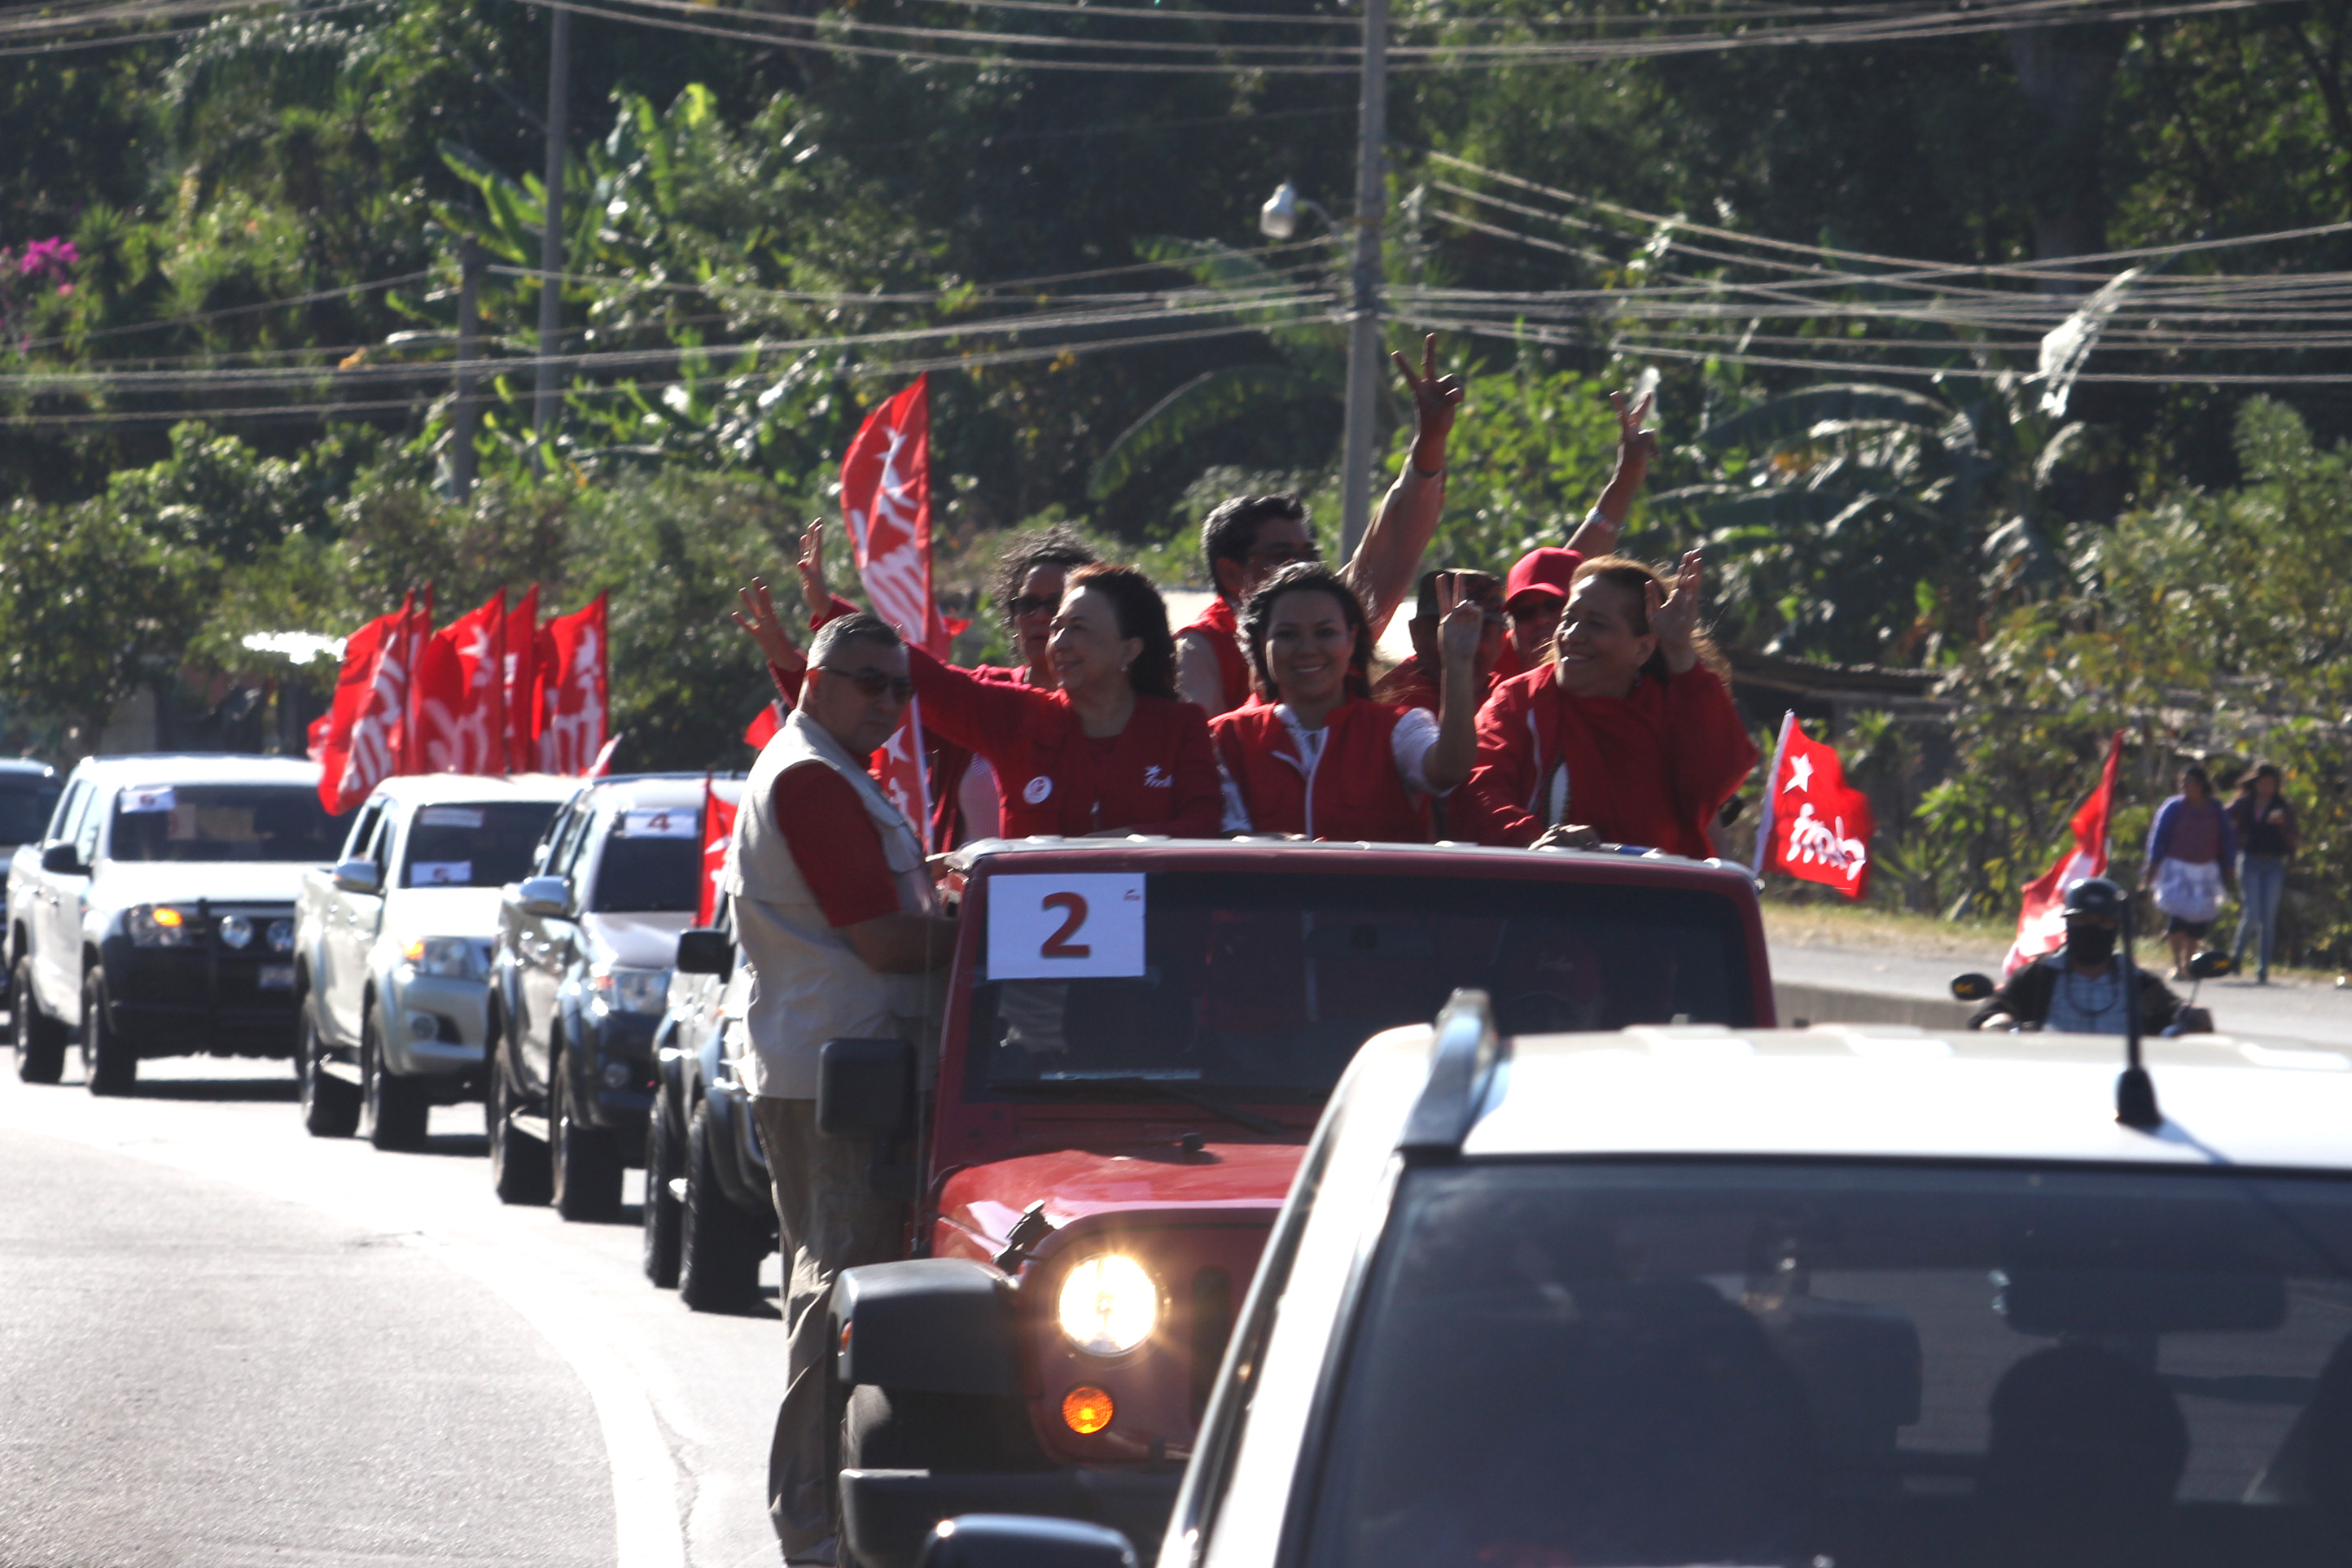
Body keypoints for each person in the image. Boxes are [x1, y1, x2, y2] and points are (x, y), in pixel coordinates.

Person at [724, 611, 957, 1566]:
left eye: (901, 686)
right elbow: (884, 940)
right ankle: (813, 1517)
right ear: (815, 682)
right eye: (868, 681)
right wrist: (995, 926)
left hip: (834, 1059)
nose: (889, 701)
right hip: (841, 1067)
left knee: (837, 1284)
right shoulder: (813, 777)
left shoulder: (832, 768)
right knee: (840, 1292)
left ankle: (821, 1511)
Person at [739, 527, 1102, 848]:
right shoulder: (987, 697)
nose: (1040, 616)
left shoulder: (1114, 709)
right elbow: (860, 714)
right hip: (964, 902)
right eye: (1028, 605)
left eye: (1055, 604)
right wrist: (791, 656)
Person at [1175, 336, 1465, 716]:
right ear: (1231, 573)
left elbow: (1396, 536)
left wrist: (1430, 438)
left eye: (1309, 555)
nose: (1301, 567)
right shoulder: (1200, 648)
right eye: (1281, 556)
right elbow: (1203, 745)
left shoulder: (1336, 609)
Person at [1457, 551, 1758, 859]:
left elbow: (1715, 781)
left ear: (1642, 649)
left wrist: (1680, 652)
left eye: (1596, 625)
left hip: (1656, 887)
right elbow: (1479, 789)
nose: (1572, 635)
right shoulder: (1518, 701)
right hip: (1536, 884)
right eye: (1568, 619)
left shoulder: (1673, 709)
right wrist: (1534, 844)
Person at [1212, 564, 1483, 841]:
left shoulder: (1399, 728)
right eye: (1287, 634)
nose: (1307, 649)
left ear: (1351, 639)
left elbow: (1449, 769)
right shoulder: (1225, 737)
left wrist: (1458, 663)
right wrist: (1275, 848)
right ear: (1262, 643)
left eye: (1325, 632)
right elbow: (1219, 835)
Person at [1499, 389, 1662, 668]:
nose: (1541, 620)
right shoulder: (1486, 668)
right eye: (1525, 613)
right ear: (1510, 625)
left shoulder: (1622, 676)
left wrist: (1627, 476)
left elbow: (1581, 559)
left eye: (1556, 606)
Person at [1969, 877, 2185, 1036]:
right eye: (2083, 920)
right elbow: (1996, 1008)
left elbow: (2173, 1012)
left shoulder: (2138, 982)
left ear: (2116, 927)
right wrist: (1998, 1021)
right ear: (2068, 923)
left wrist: (2190, 1014)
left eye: (2103, 922)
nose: (2092, 929)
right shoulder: (2039, 976)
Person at [2141, 764, 2237, 980]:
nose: (2184, 785)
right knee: (2178, 921)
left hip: (2205, 873)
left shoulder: (2215, 809)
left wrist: (2229, 865)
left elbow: (2227, 838)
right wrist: (2152, 864)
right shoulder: (2173, 807)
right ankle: (2178, 964)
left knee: (2197, 923)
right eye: (2182, 781)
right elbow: (2159, 836)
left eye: (2188, 781)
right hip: (2177, 871)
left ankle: (2189, 964)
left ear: (2200, 784)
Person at [1372, 568, 1509, 714]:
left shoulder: (1511, 700)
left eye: (1478, 630)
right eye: (1444, 628)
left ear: (1501, 641)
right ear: (1415, 633)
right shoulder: (1387, 702)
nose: (1460, 643)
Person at [2227, 761, 2298, 983]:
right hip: (2250, 862)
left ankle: (2263, 968)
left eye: (2271, 783)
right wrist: (2236, 838)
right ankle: (2236, 957)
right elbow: (2223, 818)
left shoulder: (2282, 806)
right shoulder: (2244, 803)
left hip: (2274, 864)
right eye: (2263, 783)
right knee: (2252, 913)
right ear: (2255, 783)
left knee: (2268, 917)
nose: (2267, 787)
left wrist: (2283, 824)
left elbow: (2294, 834)